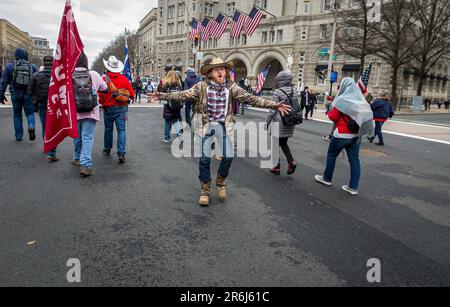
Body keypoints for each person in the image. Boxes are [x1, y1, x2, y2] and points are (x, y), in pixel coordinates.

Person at [148, 57, 291, 207]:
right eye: (217, 70)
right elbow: (182, 95)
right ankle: (205, 189)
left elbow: (251, 98)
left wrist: (274, 105)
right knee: (204, 159)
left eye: (222, 69)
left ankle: (220, 182)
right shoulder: (201, 87)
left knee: (228, 157)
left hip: (223, 127)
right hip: (205, 126)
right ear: (210, 74)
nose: (220, 72)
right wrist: (162, 95)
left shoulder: (232, 87)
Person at [315, 77, 374, 196]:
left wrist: (330, 110)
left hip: (341, 134)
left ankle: (327, 178)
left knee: (332, 155)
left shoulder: (342, 99)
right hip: (356, 136)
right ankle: (353, 187)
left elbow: (333, 117)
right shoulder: (360, 100)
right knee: (355, 161)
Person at [72, 52, 108, 177]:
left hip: (75, 112)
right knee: (87, 137)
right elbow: (105, 88)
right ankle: (85, 165)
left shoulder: (70, 75)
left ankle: (77, 158)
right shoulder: (94, 74)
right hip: (90, 111)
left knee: (77, 136)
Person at [99, 55, 134, 164]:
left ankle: (107, 148)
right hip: (121, 108)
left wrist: (101, 104)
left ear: (108, 67)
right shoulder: (124, 79)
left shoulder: (103, 79)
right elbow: (132, 94)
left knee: (108, 129)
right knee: (121, 130)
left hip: (108, 108)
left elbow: (99, 95)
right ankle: (121, 153)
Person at [0, 48, 38, 141]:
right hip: (28, 94)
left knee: (17, 114)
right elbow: (37, 81)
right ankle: (31, 126)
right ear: (25, 55)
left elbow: (3, 82)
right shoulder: (32, 67)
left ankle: (18, 135)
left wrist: (1, 94)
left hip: (15, 94)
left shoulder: (9, 66)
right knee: (29, 113)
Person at [266, 71, 299, 176]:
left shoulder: (277, 92)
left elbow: (273, 110)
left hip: (279, 122)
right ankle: (291, 161)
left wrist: (267, 122)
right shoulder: (295, 91)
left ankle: (276, 166)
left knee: (275, 144)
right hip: (290, 121)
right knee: (283, 143)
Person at [28, 55, 58, 161]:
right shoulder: (57, 76)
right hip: (54, 105)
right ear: (53, 63)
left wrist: (35, 100)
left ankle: (47, 146)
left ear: (44, 63)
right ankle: (52, 151)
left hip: (41, 104)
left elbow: (29, 91)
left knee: (45, 126)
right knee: (53, 127)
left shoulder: (36, 75)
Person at [158, 70, 183, 143]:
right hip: (177, 106)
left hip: (168, 106)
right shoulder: (179, 84)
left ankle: (167, 138)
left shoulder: (166, 84)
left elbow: (162, 94)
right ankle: (180, 135)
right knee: (176, 122)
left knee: (167, 122)